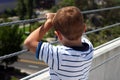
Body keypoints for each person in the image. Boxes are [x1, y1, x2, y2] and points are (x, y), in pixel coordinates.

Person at [24, 6, 94, 80]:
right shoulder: (89, 47)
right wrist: (61, 18)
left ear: (58, 35)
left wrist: (49, 22)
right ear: (84, 28)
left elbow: (29, 42)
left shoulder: (59, 56)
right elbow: (79, 31)